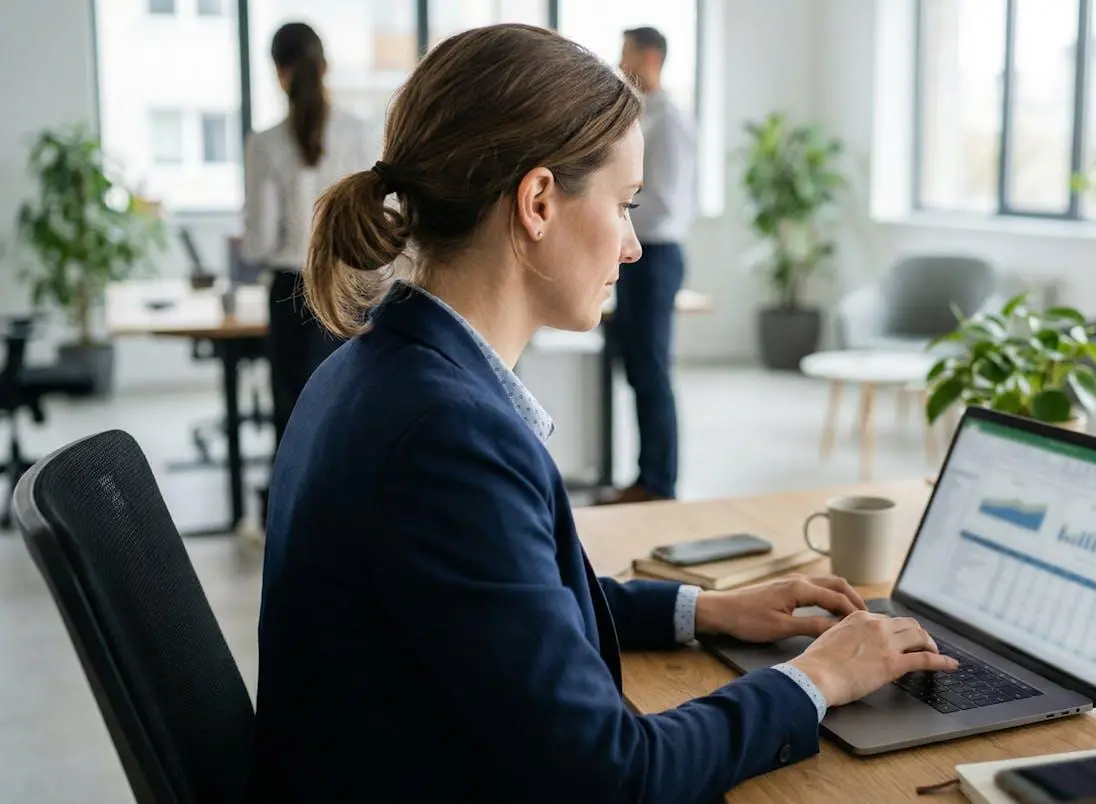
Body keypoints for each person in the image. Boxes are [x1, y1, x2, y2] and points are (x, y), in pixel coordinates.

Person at [245, 24, 956, 804]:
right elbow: (613, 777)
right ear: (538, 202)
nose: (632, 246)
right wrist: (816, 678)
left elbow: (509, 607)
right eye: (623, 206)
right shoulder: (446, 436)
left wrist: (704, 609)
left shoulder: (372, 368)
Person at [241, 21, 370, 450]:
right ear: (325, 67)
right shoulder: (357, 133)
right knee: (351, 415)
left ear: (279, 73)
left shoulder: (264, 144)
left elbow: (258, 242)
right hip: (350, 290)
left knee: (294, 422)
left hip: (291, 292)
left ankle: (291, 516)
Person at [600, 25, 697, 504]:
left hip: (656, 255)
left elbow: (667, 205)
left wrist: (615, 208)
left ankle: (659, 483)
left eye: (627, 54)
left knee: (653, 370)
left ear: (652, 57)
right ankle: (645, 476)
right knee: (638, 368)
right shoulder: (639, 117)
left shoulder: (670, 122)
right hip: (639, 254)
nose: (621, 63)